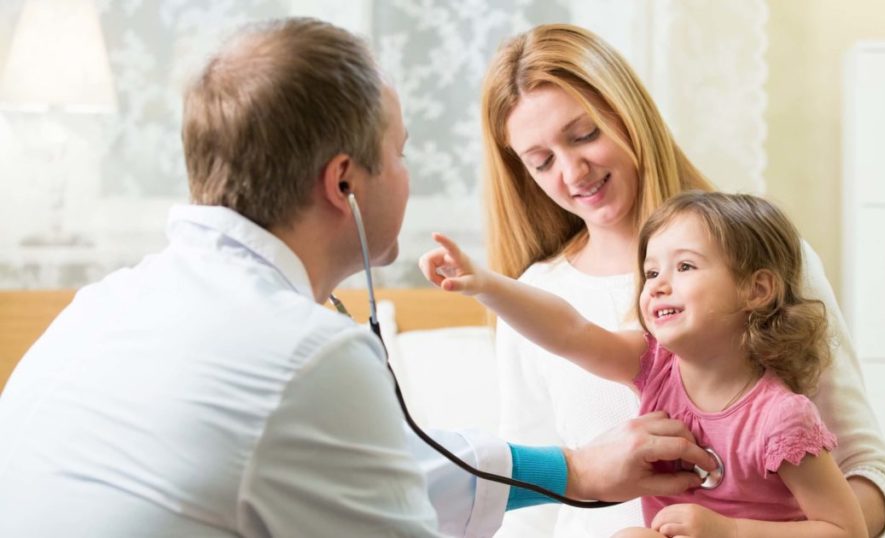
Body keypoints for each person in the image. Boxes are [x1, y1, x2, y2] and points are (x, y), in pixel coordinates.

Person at [0, 18, 719, 537]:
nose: (407, 175)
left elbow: (375, 470)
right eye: (400, 153)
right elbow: (389, 500)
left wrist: (574, 470)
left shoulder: (102, 306)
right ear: (344, 182)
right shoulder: (305, 355)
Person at [479, 23, 885, 537]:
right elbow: (531, 508)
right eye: (542, 161)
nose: (572, 173)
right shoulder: (534, 299)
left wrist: (742, 532)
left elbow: (870, 470)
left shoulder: (759, 259)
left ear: (628, 115)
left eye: (585, 134)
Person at [421, 191, 869, 537]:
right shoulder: (656, 367)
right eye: (652, 272)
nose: (657, 286)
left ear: (756, 290)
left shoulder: (781, 418)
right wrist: (486, 286)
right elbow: (569, 331)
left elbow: (845, 529)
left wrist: (730, 531)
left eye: (685, 267)